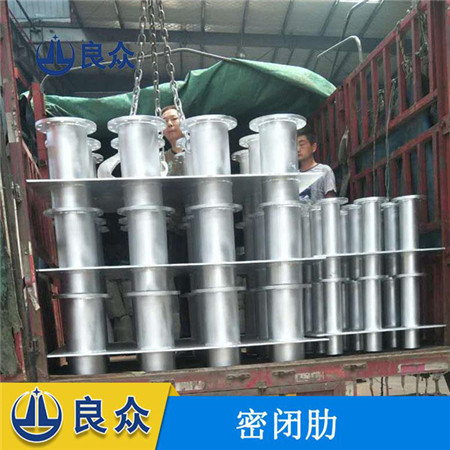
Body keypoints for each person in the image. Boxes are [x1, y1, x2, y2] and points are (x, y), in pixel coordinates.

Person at [297, 130, 337, 202]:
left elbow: (331, 202)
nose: (298, 149)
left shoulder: (324, 171)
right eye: (295, 145)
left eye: (302, 144)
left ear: (313, 147)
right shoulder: (294, 176)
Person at [161, 105, 185, 176]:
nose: (169, 124)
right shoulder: (162, 159)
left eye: (174, 119)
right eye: (165, 121)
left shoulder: (197, 153)